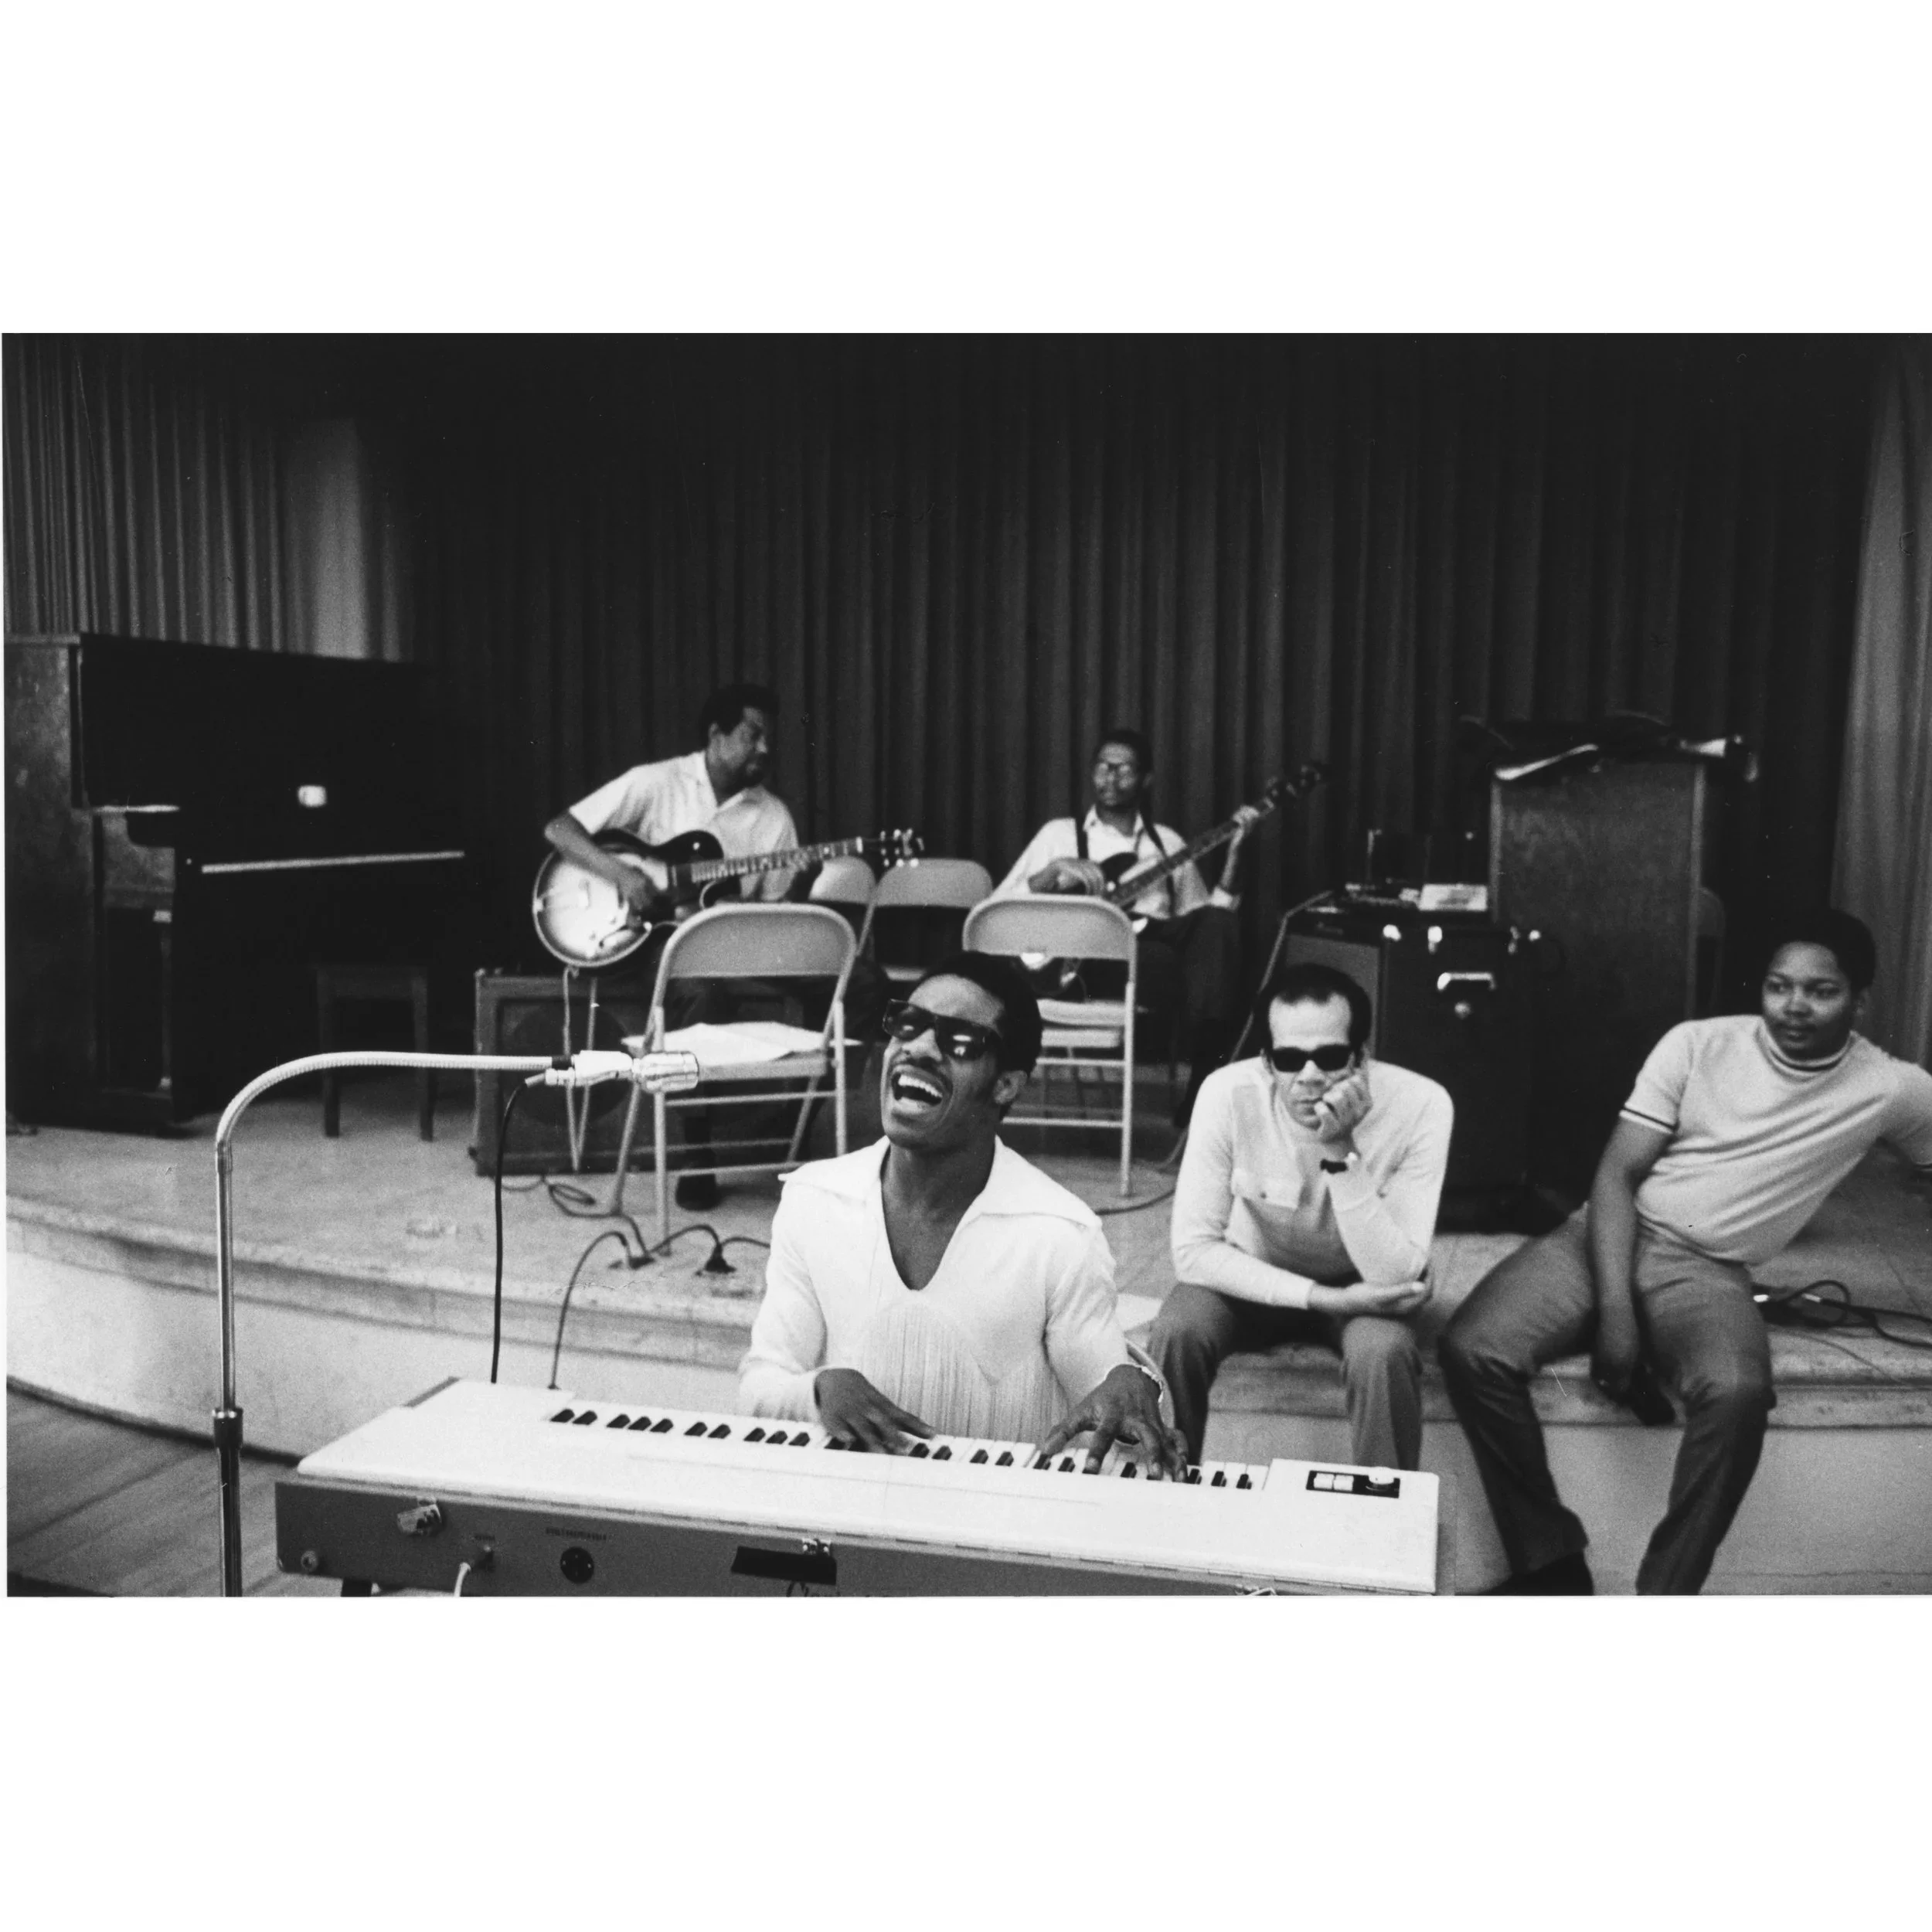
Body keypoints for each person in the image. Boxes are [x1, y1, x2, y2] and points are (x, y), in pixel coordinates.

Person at [1438, 909, 1932, 1595]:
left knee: (1737, 1393)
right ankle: (1549, 1565)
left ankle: (1665, 1601)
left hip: (1707, 1269)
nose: (1794, 1006)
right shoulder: (1696, 1045)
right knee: (1473, 1348)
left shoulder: (1892, 1089)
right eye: (1778, 986)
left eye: (1821, 991)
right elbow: (1616, 1176)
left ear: (1861, 999)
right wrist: (1617, 1313)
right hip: (1609, 1231)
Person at [740, 951, 1186, 1475]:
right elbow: (758, 1388)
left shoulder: (1060, 1234)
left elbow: (1112, 1411)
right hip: (853, 1525)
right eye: (908, 1023)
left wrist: (1132, 1383)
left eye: (960, 1041)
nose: (919, 1047)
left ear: (1006, 1086)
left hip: (995, 1530)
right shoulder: (814, 1199)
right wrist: (818, 1391)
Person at [1149, 960, 1453, 1472]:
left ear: (1362, 1057)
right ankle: (1160, 1501)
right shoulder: (1227, 1094)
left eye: (1330, 1056)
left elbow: (1396, 1275)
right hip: (1254, 1279)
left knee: (1384, 1354)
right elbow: (1194, 1253)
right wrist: (1323, 1299)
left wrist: (1339, 1149)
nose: (1310, 1077)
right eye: (1290, 1059)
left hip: (1365, 1289)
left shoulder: (1422, 1104)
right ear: (1267, 1063)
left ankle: (1382, 1529)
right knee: (1178, 1329)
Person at [543, 682, 798, 1210]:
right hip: (647, 944)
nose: (765, 750)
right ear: (716, 735)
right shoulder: (656, 783)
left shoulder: (774, 819)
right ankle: (697, 1147)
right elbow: (561, 830)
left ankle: (802, 1140)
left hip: (733, 947)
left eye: (770, 739)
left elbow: (775, 913)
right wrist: (624, 876)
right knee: (701, 990)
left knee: (858, 983)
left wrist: (741, 912)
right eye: (754, 736)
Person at [995, 726, 1257, 1123]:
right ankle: (1209, 1082)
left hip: (1153, 965)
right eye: (1103, 767)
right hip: (1083, 965)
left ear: (1146, 779)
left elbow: (1211, 924)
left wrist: (1236, 853)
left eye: (1124, 769)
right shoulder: (1059, 835)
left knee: (1216, 930)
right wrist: (1050, 873)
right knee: (1196, 955)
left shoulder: (1166, 843)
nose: (1111, 777)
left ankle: (1204, 1082)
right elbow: (995, 909)